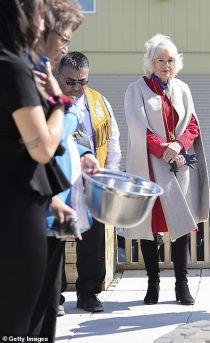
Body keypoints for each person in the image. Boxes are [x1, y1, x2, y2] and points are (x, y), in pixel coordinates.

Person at [123, 34, 209, 305]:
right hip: (149, 167)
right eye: (160, 59)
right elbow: (139, 130)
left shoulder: (183, 89)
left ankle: (182, 285)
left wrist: (179, 145)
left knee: (181, 226)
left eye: (170, 60)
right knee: (150, 229)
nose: (165, 64)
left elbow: (193, 124)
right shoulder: (136, 90)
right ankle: (153, 282)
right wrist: (163, 149)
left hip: (179, 167)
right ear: (150, 62)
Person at [0, 0, 68, 335]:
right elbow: (41, 147)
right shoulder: (11, 67)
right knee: (18, 324)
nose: (42, 25)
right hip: (16, 211)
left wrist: (53, 198)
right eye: (40, 15)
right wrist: (59, 104)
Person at [26, 0, 88, 339]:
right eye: (63, 36)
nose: (66, 46)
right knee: (31, 312)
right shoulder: (21, 71)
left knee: (46, 309)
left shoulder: (40, 72)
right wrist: (66, 109)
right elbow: (42, 144)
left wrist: (85, 151)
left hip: (52, 204)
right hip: (30, 208)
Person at [56, 51, 122, 313]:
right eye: (70, 81)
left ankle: (89, 293)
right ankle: (54, 296)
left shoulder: (99, 102)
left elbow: (113, 140)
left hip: (93, 182)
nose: (76, 88)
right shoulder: (50, 102)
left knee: (93, 241)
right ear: (59, 75)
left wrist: (112, 176)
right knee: (56, 240)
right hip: (59, 180)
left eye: (82, 81)